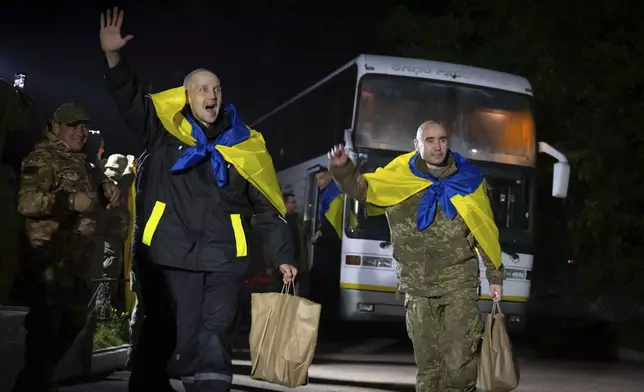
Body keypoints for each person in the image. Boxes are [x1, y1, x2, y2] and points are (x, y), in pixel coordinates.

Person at [99, 7, 297, 392]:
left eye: (217, 88)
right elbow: (129, 98)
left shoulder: (246, 145)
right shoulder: (162, 130)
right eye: (203, 88)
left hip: (225, 257)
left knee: (218, 332)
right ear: (186, 97)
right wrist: (113, 58)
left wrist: (283, 254)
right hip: (169, 254)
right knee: (180, 335)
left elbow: (269, 207)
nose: (212, 95)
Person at [328, 120, 504, 392]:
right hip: (417, 287)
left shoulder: (469, 178)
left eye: (442, 139)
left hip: (459, 283)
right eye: (430, 140)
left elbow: (484, 228)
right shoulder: (399, 175)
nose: (437, 146)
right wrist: (342, 168)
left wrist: (495, 276)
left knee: (459, 367)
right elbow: (362, 188)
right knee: (429, 368)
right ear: (417, 144)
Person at [12, 103, 120, 392]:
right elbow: (27, 202)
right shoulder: (42, 158)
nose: (81, 132)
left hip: (77, 261)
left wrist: (107, 189)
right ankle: (35, 383)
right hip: (49, 261)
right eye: (73, 126)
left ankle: (38, 380)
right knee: (44, 333)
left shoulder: (84, 163)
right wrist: (69, 202)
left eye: (84, 126)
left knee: (74, 321)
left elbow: (97, 187)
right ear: (55, 126)